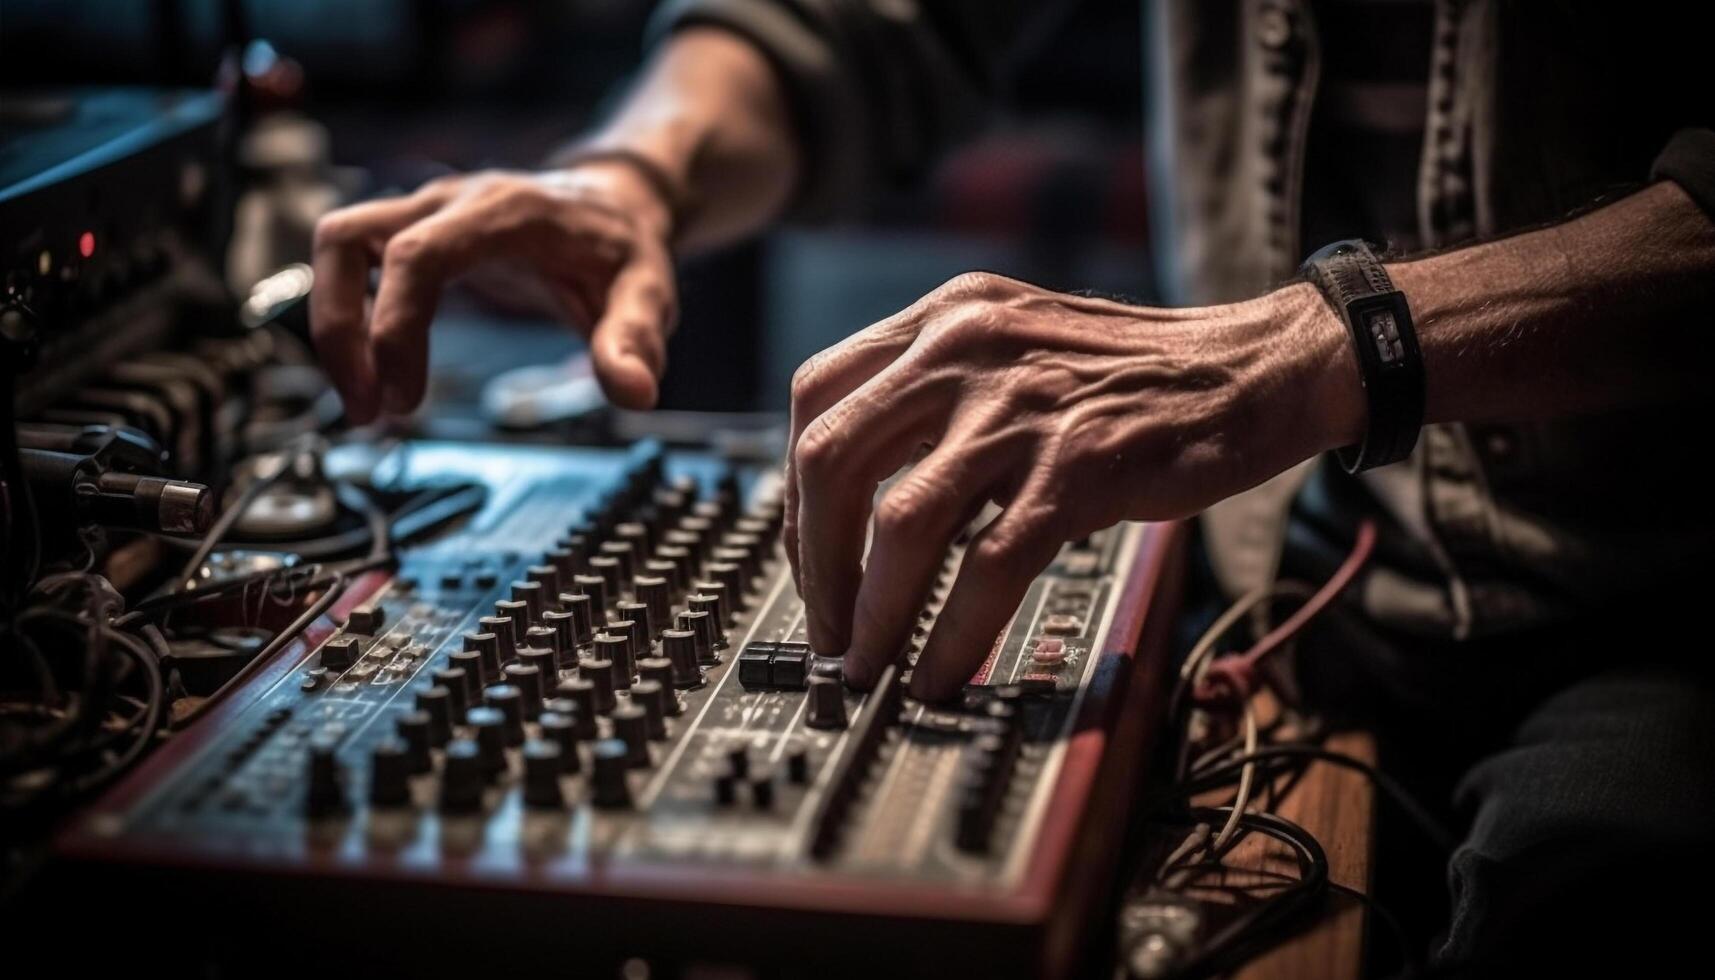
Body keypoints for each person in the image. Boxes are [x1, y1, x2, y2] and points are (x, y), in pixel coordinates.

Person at [309, 2, 1715, 973]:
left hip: (1662, 596)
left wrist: (1332, 342)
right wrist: (636, 170)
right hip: (1300, 563)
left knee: (1590, 887)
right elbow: (862, 33)